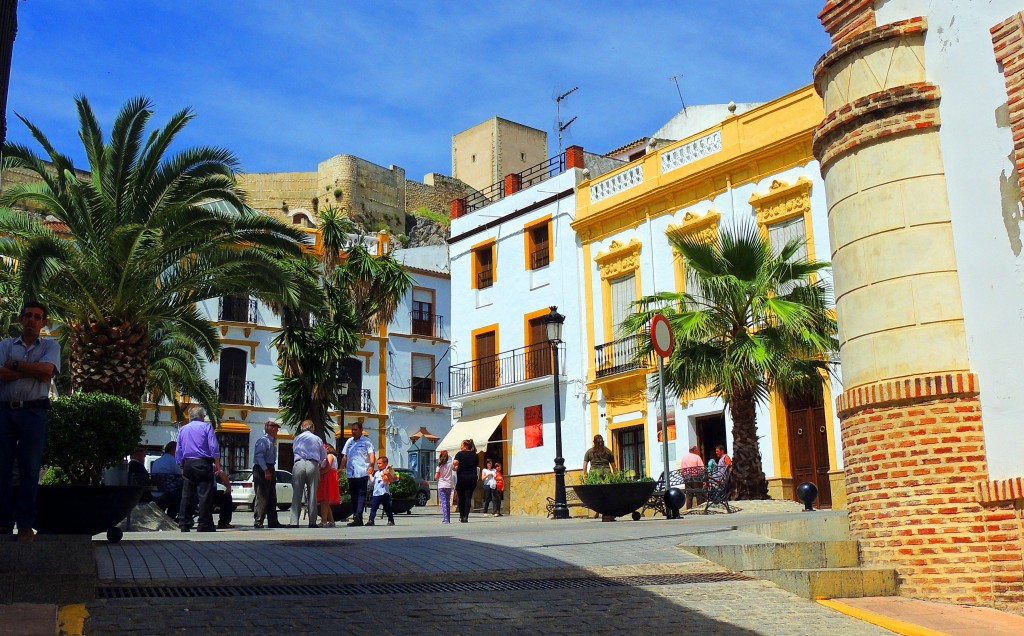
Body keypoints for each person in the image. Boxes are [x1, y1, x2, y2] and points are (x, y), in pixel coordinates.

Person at [0, 301, 60, 543]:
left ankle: (25, 524)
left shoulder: (50, 345)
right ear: (20, 319)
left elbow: (47, 371)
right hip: (4, 412)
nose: (32, 320)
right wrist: (31, 370)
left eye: (37, 317)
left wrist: (15, 365)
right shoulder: (5, 345)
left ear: (43, 322)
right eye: (28, 316)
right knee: (1, 469)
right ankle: (3, 521)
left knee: (29, 469)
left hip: (34, 413)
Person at [175, 406, 222, 533]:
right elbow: (213, 447)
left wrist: (181, 464)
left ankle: (184, 523)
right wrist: (218, 465)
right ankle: (204, 524)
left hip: (188, 464)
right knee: (204, 495)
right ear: (202, 417)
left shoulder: (183, 429)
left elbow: (178, 449)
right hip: (203, 463)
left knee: (186, 495)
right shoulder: (206, 427)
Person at [290, 420, 326, 528]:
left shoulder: (297, 438)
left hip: (299, 464)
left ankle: (294, 522)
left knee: (296, 493)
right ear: (312, 427)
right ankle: (312, 522)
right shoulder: (317, 439)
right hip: (312, 464)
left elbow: (294, 451)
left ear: (302, 428)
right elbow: (323, 456)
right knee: (313, 494)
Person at [340, 421, 375, 527]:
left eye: (355, 429)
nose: (353, 432)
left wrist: (372, 465)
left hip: (362, 472)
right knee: (354, 496)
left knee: (361, 495)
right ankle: (356, 518)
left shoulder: (367, 442)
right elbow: (345, 456)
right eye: (352, 429)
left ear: (361, 430)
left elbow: (371, 455)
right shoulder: (349, 441)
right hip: (351, 473)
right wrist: (341, 469)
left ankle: (358, 516)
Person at [253, 420, 283, 529]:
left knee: (271, 496)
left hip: (269, 466)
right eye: (276, 428)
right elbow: (259, 456)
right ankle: (258, 520)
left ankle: (272, 520)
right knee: (262, 495)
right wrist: (265, 470)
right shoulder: (263, 441)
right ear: (271, 428)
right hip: (263, 468)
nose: (277, 430)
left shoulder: (272, 441)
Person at [151, 441, 183, 519]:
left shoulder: (157, 461)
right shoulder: (173, 460)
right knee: (183, 496)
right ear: (173, 450)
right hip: (168, 493)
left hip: (155, 493)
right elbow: (180, 474)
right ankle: (171, 518)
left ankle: (165, 519)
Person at [452, 439, 479, 523]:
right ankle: (466, 517)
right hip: (472, 478)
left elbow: (455, 462)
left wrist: (455, 465)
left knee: (461, 498)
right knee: (468, 497)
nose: (460, 446)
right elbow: (476, 464)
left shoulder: (460, 454)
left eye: (462, 445)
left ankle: (461, 515)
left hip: (462, 478)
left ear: (465, 446)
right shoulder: (475, 455)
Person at [366, 456, 396, 526]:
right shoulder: (377, 473)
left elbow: (391, 480)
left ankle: (391, 520)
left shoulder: (388, 471)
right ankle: (371, 520)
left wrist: (387, 474)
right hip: (376, 493)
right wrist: (370, 474)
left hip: (384, 493)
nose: (378, 465)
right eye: (377, 463)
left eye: (380, 463)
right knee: (374, 507)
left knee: (387, 507)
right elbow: (373, 481)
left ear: (385, 464)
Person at [317, 443, 340, 527]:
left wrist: (319, 473)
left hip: (328, 477)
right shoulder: (328, 456)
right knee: (325, 501)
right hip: (327, 476)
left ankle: (323, 521)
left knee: (324, 500)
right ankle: (331, 521)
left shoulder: (330, 455)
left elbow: (328, 467)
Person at [679, 445, 705, 510]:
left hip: (687, 478)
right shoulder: (697, 457)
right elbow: (701, 468)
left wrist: (684, 477)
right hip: (696, 478)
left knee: (689, 496)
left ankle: (689, 509)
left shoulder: (684, 458)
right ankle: (700, 509)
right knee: (699, 494)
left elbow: (682, 470)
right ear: (695, 450)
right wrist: (703, 479)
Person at [435, 450, 454, 524]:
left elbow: (436, 477)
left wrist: (440, 475)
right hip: (449, 485)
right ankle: (448, 518)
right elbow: (455, 468)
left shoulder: (439, 466)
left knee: (443, 502)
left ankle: (445, 519)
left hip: (442, 485)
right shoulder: (450, 465)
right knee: (447, 502)